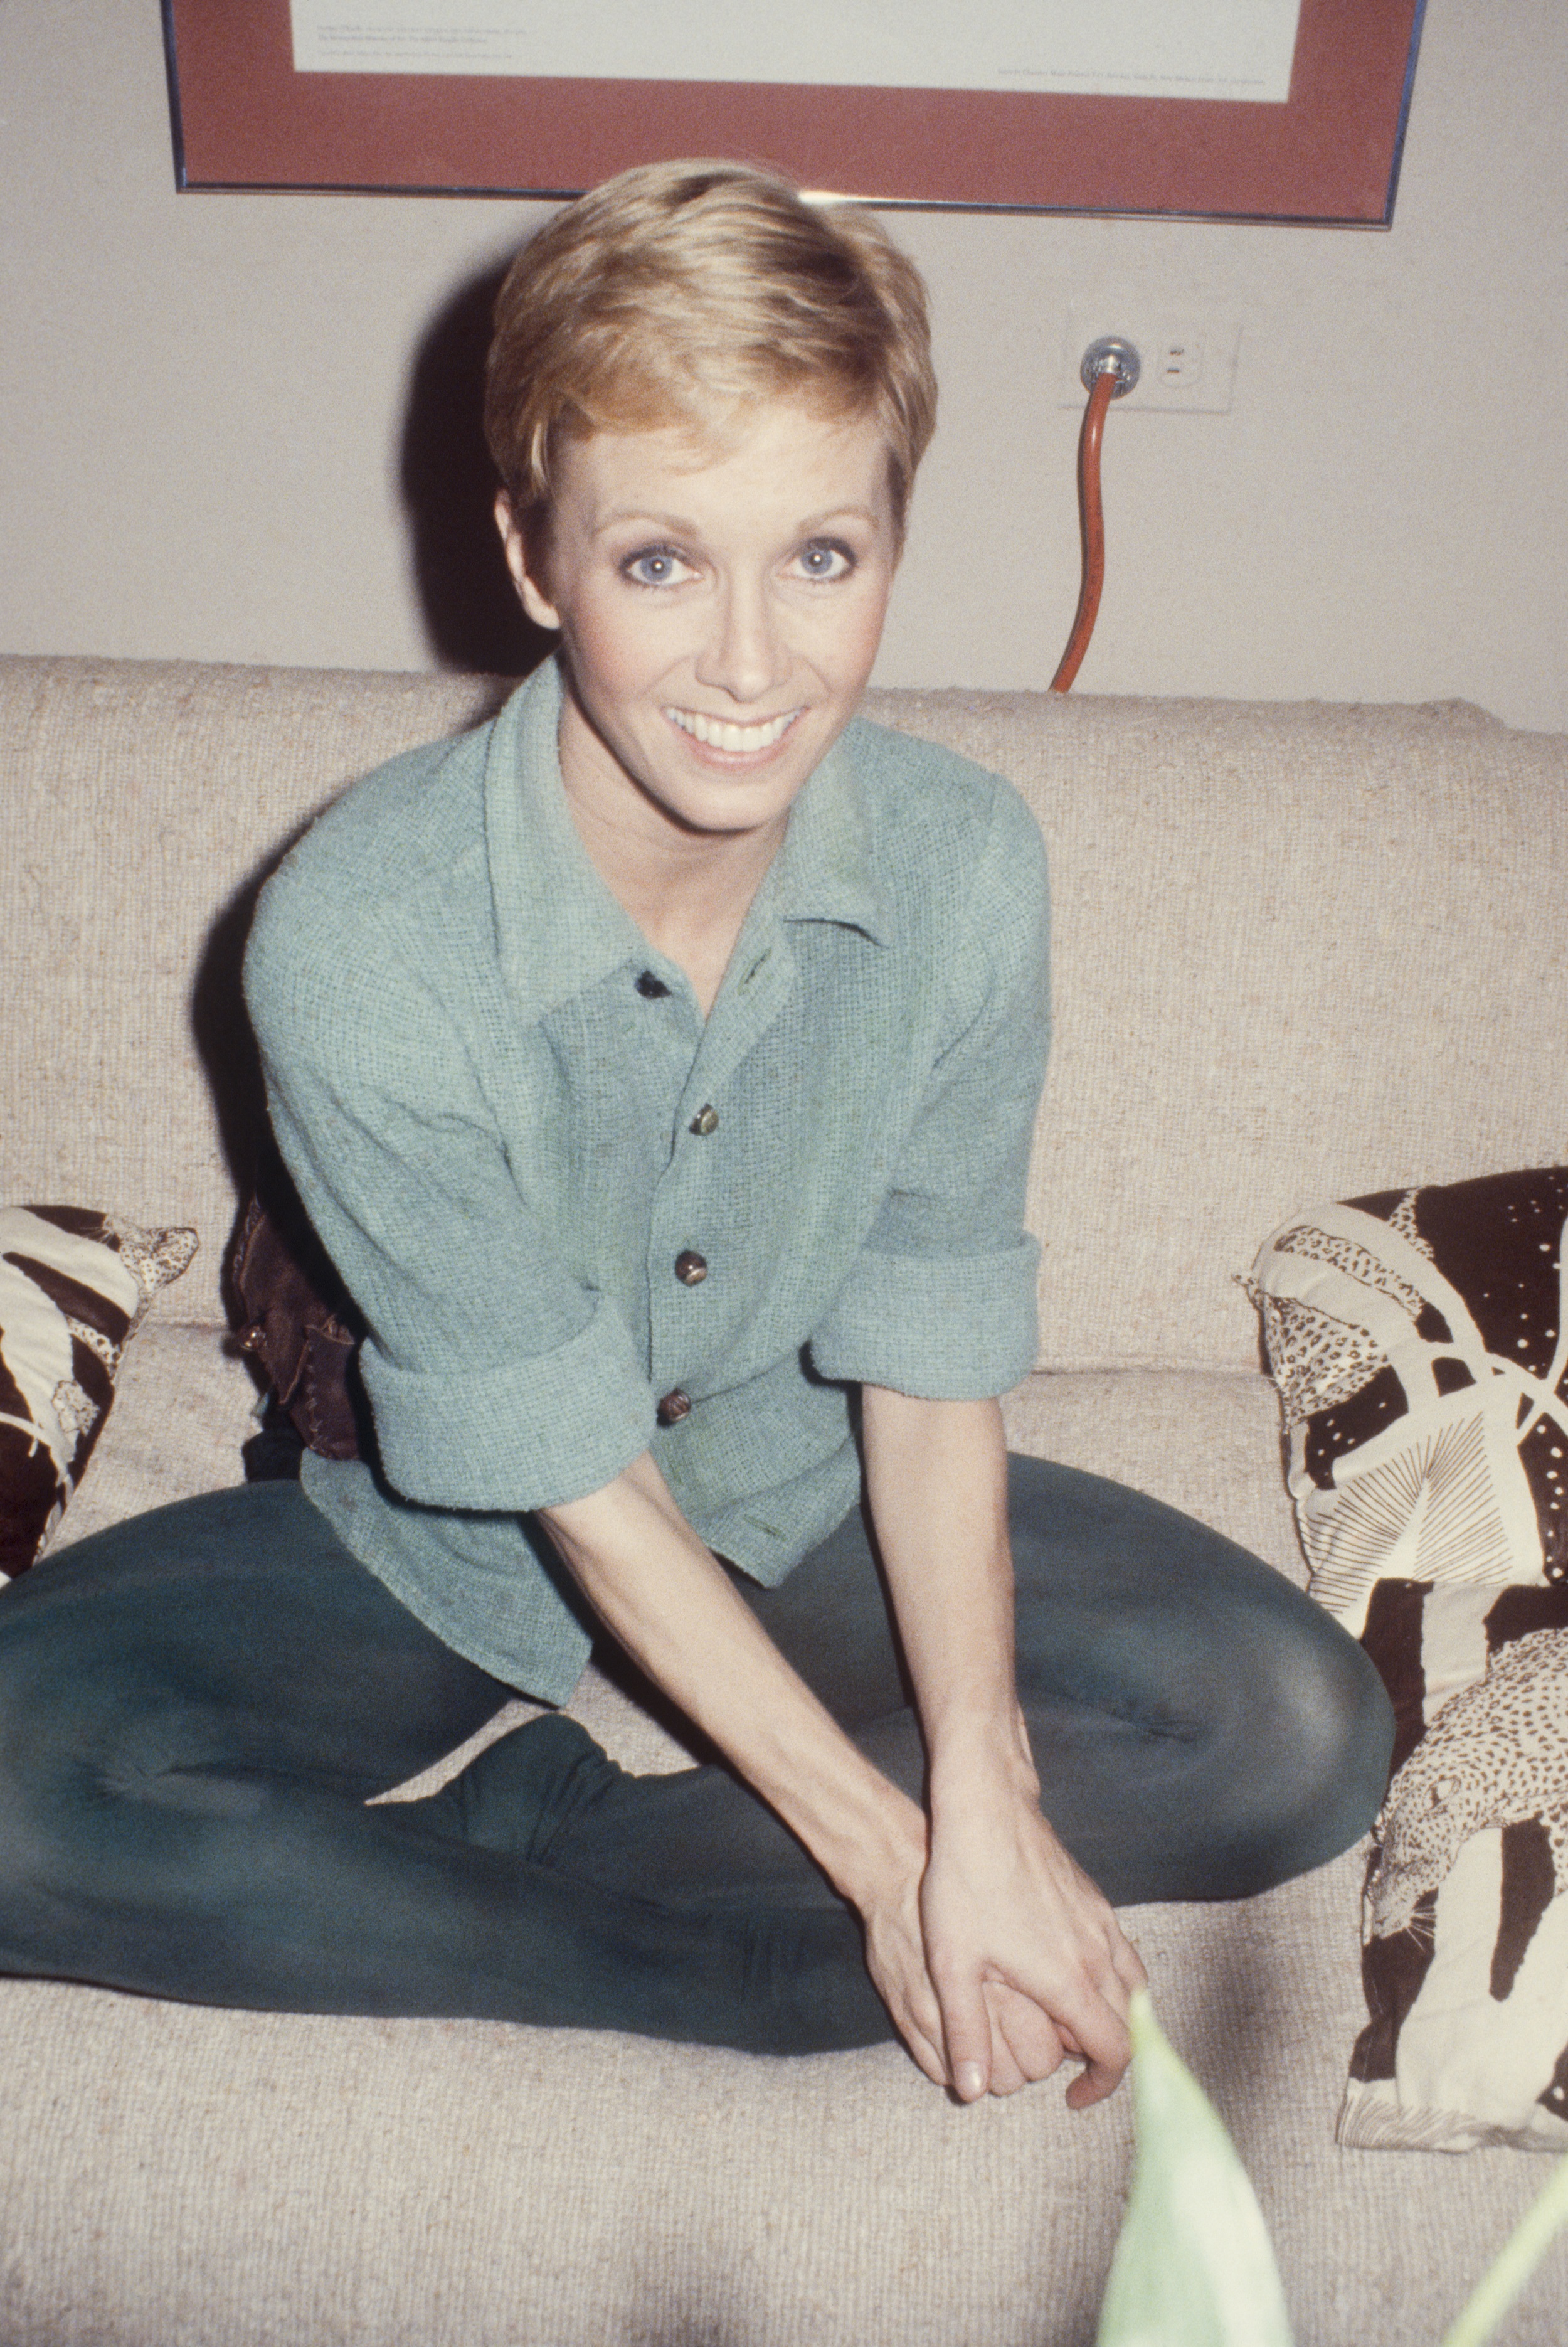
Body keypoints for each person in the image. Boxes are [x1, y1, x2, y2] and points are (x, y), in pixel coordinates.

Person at [0, 162, 1392, 2105]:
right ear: (530, 553)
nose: (752, 665)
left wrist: (981, 1792)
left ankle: (527, 1874)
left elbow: (922, 1360)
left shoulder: (963, 863)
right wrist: (892, 1865)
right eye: (660, 561)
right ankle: (718, 1950)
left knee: (1291, 1736)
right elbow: (559, 1467)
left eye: (818, 556)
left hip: (802, 1482)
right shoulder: (353, 935)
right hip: (445, 1529)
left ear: (892, 541)